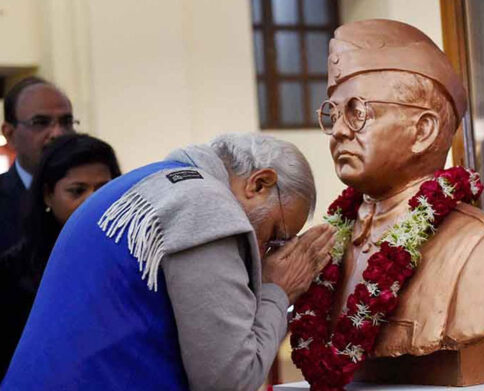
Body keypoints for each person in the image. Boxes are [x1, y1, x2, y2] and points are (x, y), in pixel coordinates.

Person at [2, 133, 334, 390]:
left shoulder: (152, 181)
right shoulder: (204, 205)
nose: (268, 253)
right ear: (259, 183)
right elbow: (231, 380)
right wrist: (278, 290)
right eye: (275, 235)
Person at [316, 19, 484, 385]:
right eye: (333, 113)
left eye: (357, 111)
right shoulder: (327, 247)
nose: (339, 129)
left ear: (423, 130)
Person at [0, 133, 121, 378]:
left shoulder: (139, 262)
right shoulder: (11, 273)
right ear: (48, 195)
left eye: (104, 189)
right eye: (77, 191)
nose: (93, 201)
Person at [0, 77, 76, 254]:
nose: (58, 133)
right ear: (10, 134)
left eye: (66, 122)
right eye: (40, 122)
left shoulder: (97, 197)